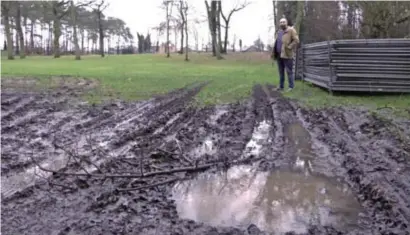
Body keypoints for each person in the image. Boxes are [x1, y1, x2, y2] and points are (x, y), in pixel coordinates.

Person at [271, 18, 300, 92]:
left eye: (283, 22)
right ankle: (281, 86)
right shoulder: (279, 32)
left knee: (289, 71)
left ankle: (291, 87)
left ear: (286, 23)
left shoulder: (291, 30)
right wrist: (274, 53)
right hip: (279, 55)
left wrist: (290, 47)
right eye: (281, 22)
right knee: (281, 72)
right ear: (279, 24)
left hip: (287, 55)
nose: (282, 23)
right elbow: (277, 42)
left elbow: (296, 40)